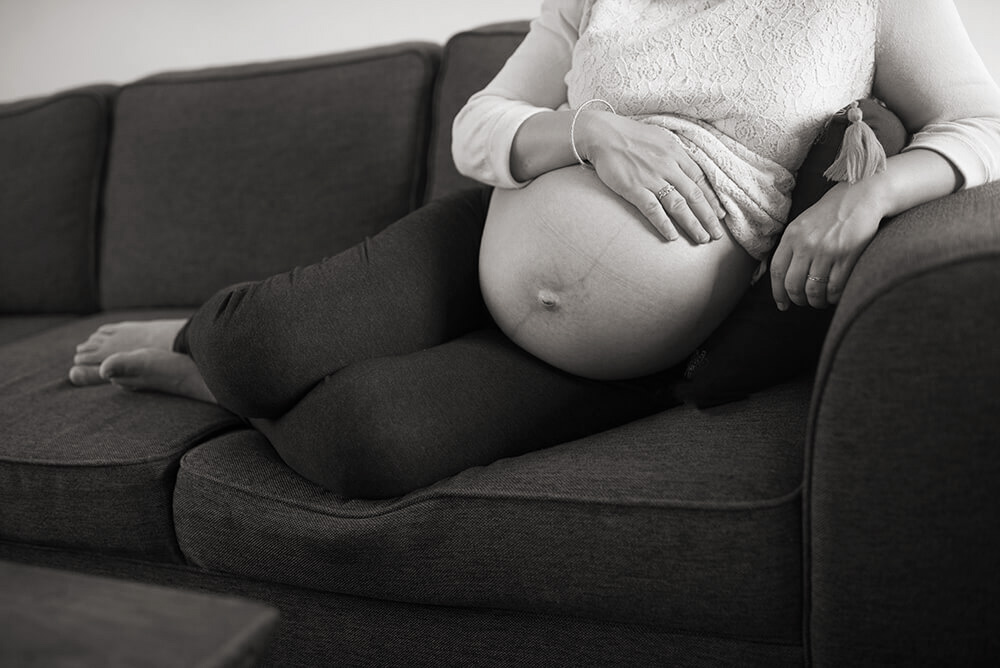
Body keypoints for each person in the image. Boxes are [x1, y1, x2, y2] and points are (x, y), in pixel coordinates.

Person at [69, 0, 1000, 498]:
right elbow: (481, 124)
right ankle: (229, 362)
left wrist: (873, 194)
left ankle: (219, 387)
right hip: (489, 231)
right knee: (253, 340)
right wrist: (589, 130)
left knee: (368, 446)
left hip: (641, 342)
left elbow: (984, 120)